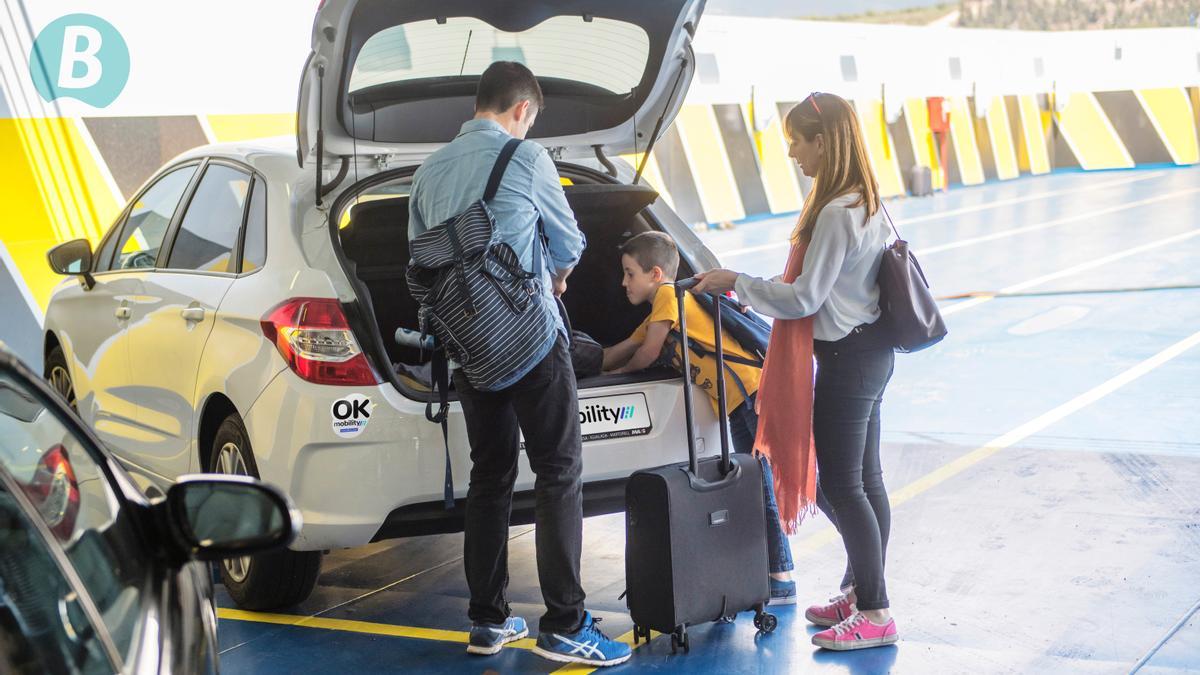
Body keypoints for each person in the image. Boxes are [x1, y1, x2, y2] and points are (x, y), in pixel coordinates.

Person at [408, 61, 630, 667]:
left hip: (471, 349)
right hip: (530, 339)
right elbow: (570, 242)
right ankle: (565, 624)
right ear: (523, 111)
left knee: (490, 477)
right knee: (559, 471)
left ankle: (487, 620)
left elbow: (421, 266)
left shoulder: (427, 174)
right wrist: (555, 277)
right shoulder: (527, 160)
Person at [691, 92, 899, 651]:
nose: (791, 153)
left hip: (848, 361)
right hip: (872, 353)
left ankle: (876, 609)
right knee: (867, 482)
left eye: (797, 141)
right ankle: (861, 591)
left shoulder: (834, 212)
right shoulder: (867, 199)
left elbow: (804, 298)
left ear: (823, 141)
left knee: (842, 485)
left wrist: (736, 282)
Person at [601, 232, 797, 604]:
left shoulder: (665, 297)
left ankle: (781, 575)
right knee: (758, 484)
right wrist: (582, 364)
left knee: (763, 485)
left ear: (655, 273)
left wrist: (611, 379)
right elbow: (623, 349)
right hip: (741, 398)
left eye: (629, 274)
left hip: (753, 392)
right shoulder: (666, 304)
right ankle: (775, 571)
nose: (623, 282)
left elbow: (646, 354)